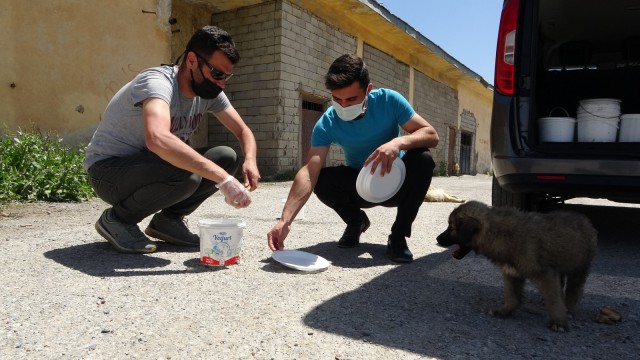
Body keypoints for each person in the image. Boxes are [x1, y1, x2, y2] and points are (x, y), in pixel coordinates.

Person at [84, 25, 260, 254]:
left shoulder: (208, 92)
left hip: (148, 167)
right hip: (108, 172)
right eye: (217, 74)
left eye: (226, 77)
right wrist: (224, 179)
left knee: (226, 156)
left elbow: (243, 131)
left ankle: (168, 221)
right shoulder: (157, 82)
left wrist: (251, 160)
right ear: (191, 61)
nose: (221, 83)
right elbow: (157, 138)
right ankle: (117, 219)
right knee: (187, 173)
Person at [267, 54, 439, 263]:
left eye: (351, 99)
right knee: (320, 178)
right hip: (361, 186)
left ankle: (398, 236)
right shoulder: (328, 122)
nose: (344, 106)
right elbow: (308, 172)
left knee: (423, 159)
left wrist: (397, 143)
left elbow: (431, 135)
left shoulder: (389, 101)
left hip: (397, 183)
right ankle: (356, 222)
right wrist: (285, 221)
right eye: (337, 99)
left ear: (368, 90)